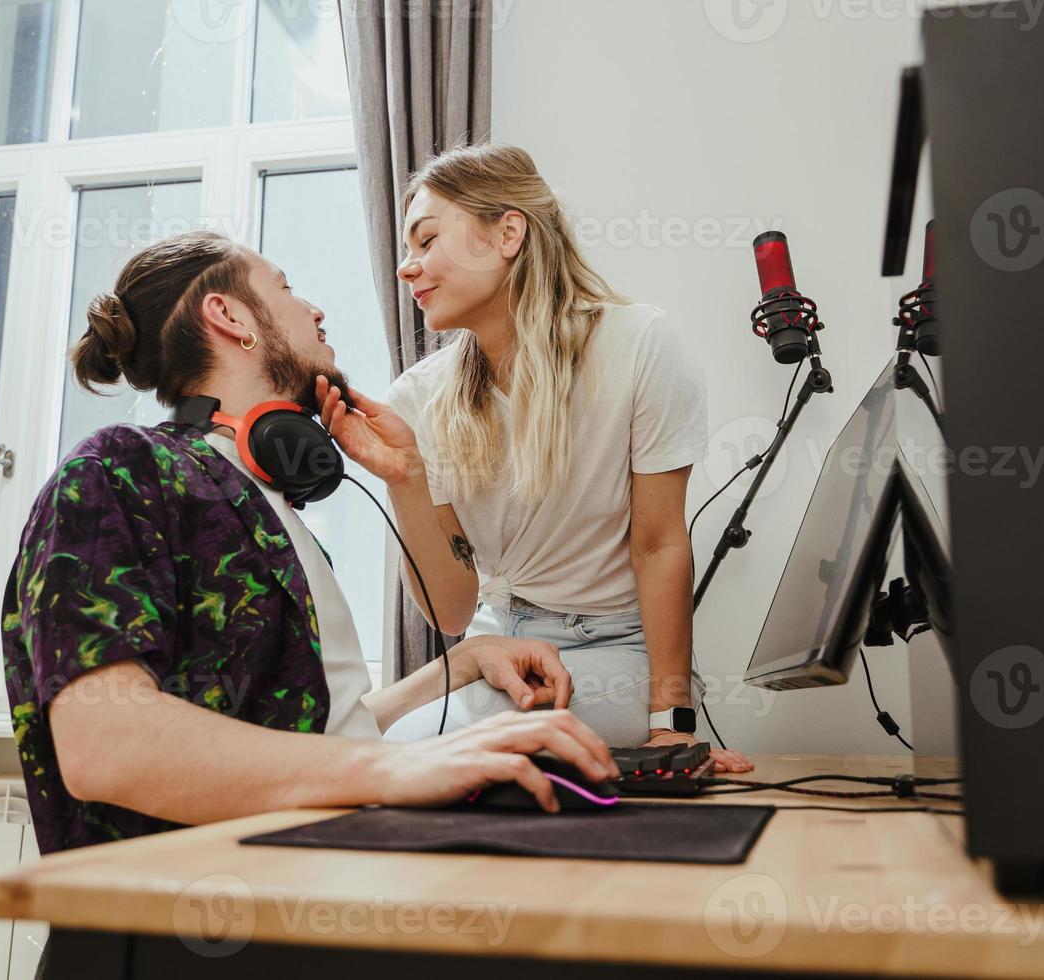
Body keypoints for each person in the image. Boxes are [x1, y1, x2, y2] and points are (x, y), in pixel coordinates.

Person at [1, 229, 618, 863]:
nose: (314, 309)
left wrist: (462, 661)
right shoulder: (119, 470)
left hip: (328, 873)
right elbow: (109, 747)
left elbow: (316, 728)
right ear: (230, 314)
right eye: (286, 288)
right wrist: (398, 769)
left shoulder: (265, 502)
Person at [313, 145, 752, 771]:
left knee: (436, 742)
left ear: (508, 233)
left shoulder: (639, 347)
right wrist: (406, 478)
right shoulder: (418, 397)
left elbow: (659, 546)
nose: (408, 269)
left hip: (621, 648)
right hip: (497, 648)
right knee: (421, 744)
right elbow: (451, 611)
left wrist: (672, 724)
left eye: (427, 239)